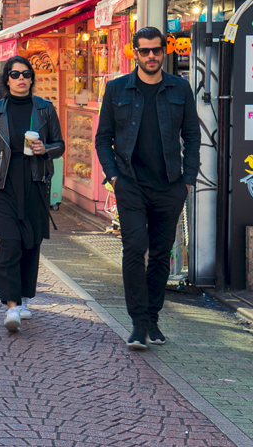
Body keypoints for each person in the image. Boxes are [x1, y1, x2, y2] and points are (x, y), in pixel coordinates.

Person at [95, 26, 200, 350]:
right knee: (133, 249)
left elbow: (193, 136)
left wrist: (188, 180)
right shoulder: (117, 89)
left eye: (156, 50)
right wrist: (114, 176)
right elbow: (103, 138)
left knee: (160, 255)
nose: (151, 56)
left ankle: (153, 319)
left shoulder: (180, 89)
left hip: (170, 186)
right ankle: (138, 324)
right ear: (135, 53)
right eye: (145, 51)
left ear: (164, 51)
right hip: (130, 184)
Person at [0, 56, 64, 334]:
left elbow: (59, 145)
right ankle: (11, 305)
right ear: (7, 78)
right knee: (10, 243)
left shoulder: (46, 109)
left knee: (30, 244)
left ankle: (24, 297)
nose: (21, 78)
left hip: (36, 185)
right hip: (3, 186)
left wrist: (45, 149)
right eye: (15, 74)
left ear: (32, 78)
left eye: (26, 74)